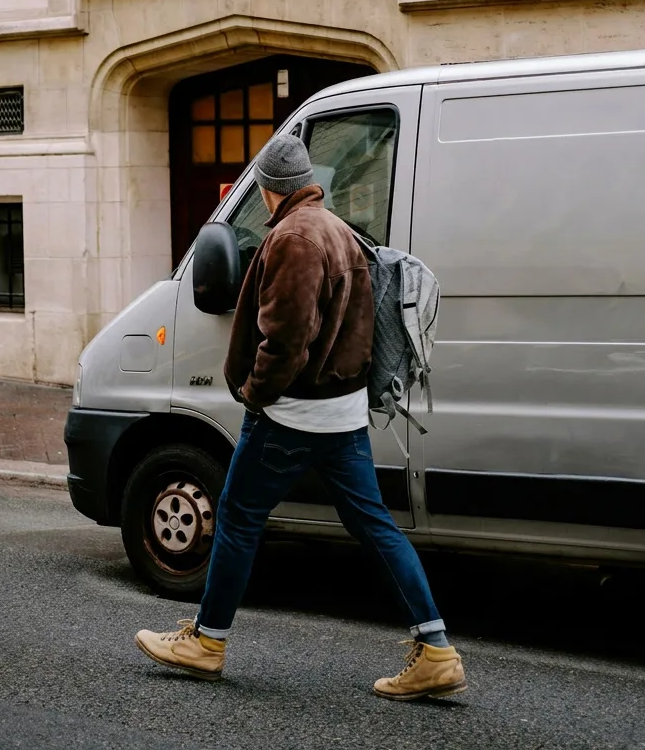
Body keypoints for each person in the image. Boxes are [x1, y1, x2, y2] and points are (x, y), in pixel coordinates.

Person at [135, 134, 467, 702]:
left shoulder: (293, 238)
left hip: (291, 414)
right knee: (375, 525)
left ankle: (207, 642)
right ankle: (436, 649)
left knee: (238, 518)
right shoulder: (338, 229)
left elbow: (287, 338)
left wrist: (256, 394)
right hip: (342, 414)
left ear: (267, 189)